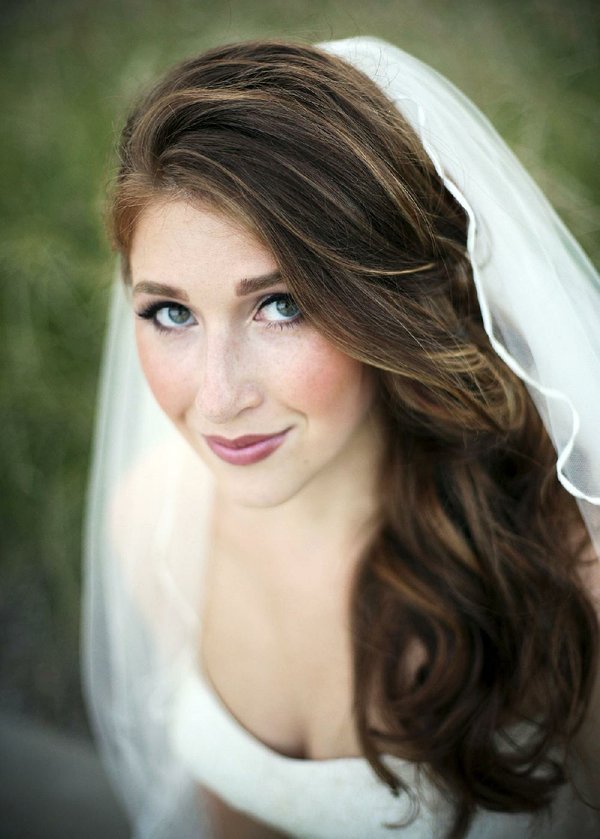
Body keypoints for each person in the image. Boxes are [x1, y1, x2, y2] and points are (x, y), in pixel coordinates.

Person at [83, 36, 600, 839]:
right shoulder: (150, 520)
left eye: (281, 304)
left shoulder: (566, 574)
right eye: (171, 312)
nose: (217, 397)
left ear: (386, 304)